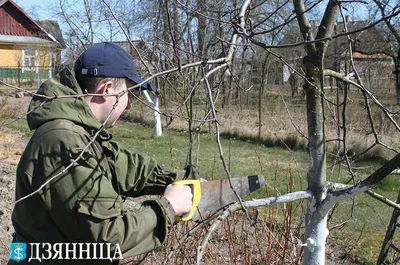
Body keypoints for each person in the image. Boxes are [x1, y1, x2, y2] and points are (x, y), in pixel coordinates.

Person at [8, 42, 197, 264]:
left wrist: (181, 179)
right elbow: (107, 238)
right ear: (107, 90)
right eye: (128, 94)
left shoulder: (79, 133)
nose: (128, 106)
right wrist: (168, 208)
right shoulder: (63, 140)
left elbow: (124, 166)